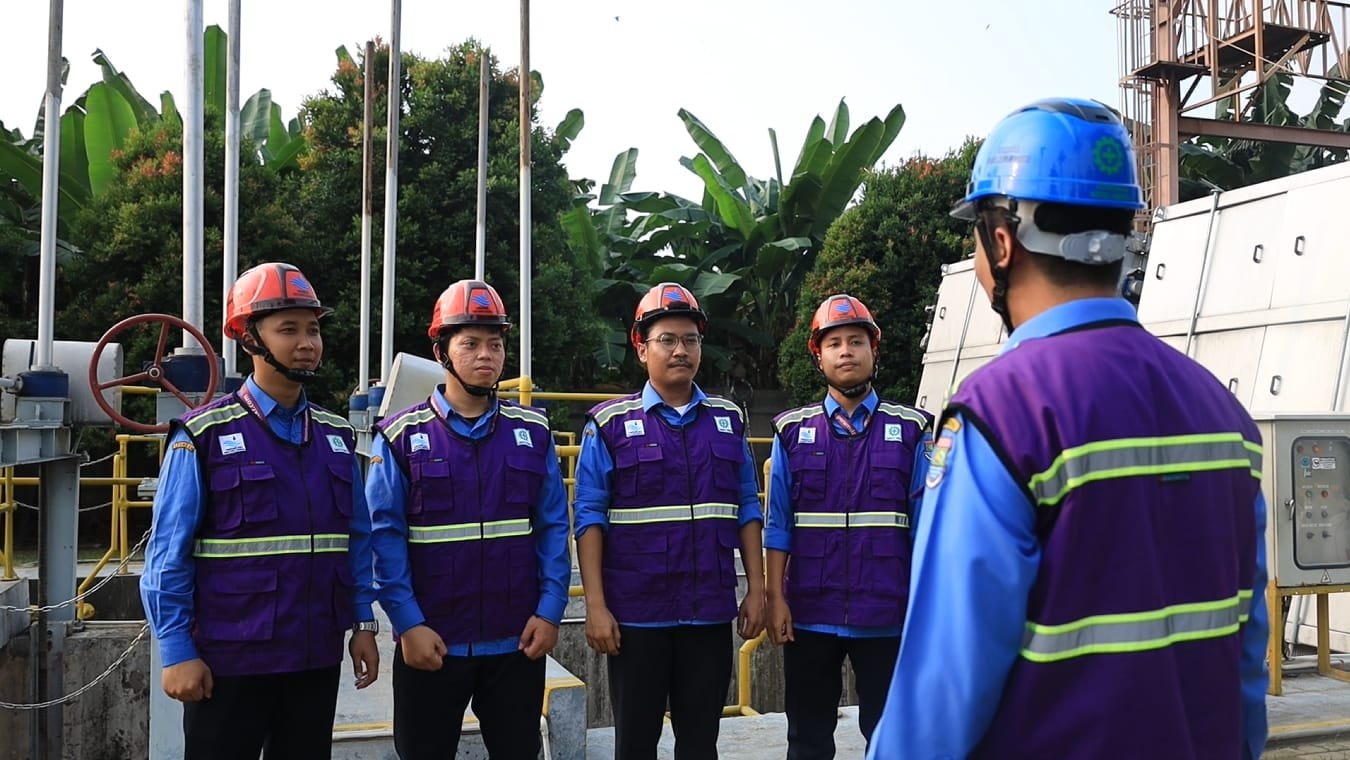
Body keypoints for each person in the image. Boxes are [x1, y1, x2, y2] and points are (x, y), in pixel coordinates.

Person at [867, 98, 1268, 760]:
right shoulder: (1224, 416)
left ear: (1002, 241)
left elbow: (938, 698)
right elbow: (1246, 670)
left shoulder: (1001, 417)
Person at [140, 262, 379, 760]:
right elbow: (167, 555)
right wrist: (178, 651)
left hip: (313, 656)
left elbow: (356, 540)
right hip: (231, 660)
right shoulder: (202, 436)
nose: (307, 342)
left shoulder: (336, 437)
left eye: (312, 329)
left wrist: (363, 625)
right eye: (288, 329)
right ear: (248, 338)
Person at [365, 279, 570, 759]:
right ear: (442, 350)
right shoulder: (400, 436)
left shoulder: (533, 433)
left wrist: (550, 608)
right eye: (471, 343)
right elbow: (384, 537)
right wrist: (408, 623)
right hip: (432, 643)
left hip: (516, 643)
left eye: (495, 344)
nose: (486, 355)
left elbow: (553, 529)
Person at [574, 282, 767, 759]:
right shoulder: (610, 424)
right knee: (636, 742)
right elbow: (589, 517)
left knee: (700, 743)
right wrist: (596, 606)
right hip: (637, 617)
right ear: (641, 349)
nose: (681, 350)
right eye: (667, 339)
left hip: (708, 613)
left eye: (691, 339)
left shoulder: (727, 420)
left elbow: (747, 505)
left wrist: (757, 591)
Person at [765, 294, 932, 759]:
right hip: (810, 614)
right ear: (818, 356)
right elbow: (778, 525)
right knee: (807, 737)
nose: (846, 351)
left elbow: (926, 529)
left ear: (874, 350)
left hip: (888, 614)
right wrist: (776, 598)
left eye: (856, 341)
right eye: (833, 342)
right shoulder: (791, 432)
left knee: (892, 737)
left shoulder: (913, 430)